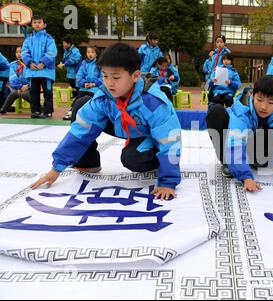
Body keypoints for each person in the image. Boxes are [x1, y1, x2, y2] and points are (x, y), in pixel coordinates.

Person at [31, 43, 182, 200]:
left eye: (116, 77)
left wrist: (167, 182)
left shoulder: (153, 102)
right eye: (105, 75)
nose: (109, 83)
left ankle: (156, 162)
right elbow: (80, 130)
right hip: (120, 124)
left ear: (135, 76)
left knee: (133, 159)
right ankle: (88, 162)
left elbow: (169, 139)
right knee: (82, 104)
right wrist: (57, 168)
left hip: (145, 133)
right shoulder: (104, 97)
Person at [21, 15, 57, 119]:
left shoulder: (49, 38)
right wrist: (29, 63)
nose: (37, 24)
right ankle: (35, 111)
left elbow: (52, 52)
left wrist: (43, 63)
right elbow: (24, 51)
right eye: (35, 22)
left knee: (48, 92)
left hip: (46, 71)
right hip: (32, 71)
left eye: (39, 22)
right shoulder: (29, 38)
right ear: (32, 24)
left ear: (44, 25)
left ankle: (48, 111)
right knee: (34, 92)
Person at [0, 46, 31, 114]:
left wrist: (28, 86)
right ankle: (3, 109)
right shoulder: (13, 65)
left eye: (21, 52)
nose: (18, 54)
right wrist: (19, 87)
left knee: (25, 94)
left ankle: (39, 108)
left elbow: (33, 77)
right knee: (14, 93)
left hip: (29, 86)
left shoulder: (30, 64)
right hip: (18, 87)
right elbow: (12, 77)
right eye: (17, 52)